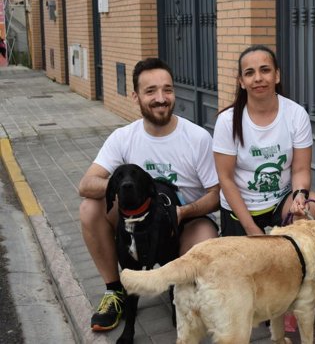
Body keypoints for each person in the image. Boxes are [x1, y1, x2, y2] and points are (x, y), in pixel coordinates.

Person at [78, 57, 220, 332]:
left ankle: (182, 294)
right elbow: (86, 184)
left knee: (205, 238)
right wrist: (124, 188)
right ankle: (114, 291)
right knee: (89, 208)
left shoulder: (197, 137)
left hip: (183, 219)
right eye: (151, 91)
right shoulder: (123, 137)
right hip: (137, 219)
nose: (161, 98)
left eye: (167, 90)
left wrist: (183, 212)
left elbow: (216, 194)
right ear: (135, 96)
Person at [213, 45, 315, 236]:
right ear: (241, 81)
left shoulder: (296, 114)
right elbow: (226, 179)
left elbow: (300, 169)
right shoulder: (227, 121)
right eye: (249, 73)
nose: (258, 78)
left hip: (280, 201)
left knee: (313, 205)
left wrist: (299, 195)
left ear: (277, 75)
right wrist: (251, 228)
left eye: (265, 70)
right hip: (240, 208)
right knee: (247, 264)